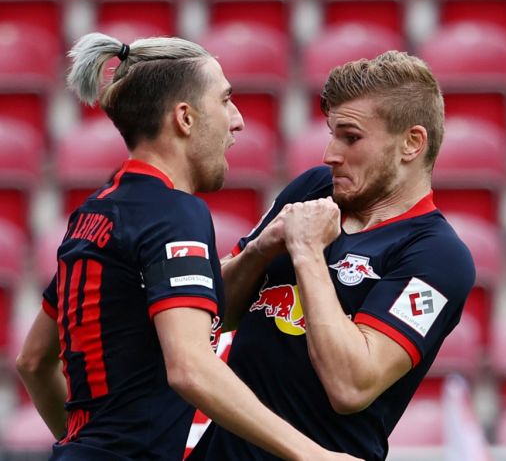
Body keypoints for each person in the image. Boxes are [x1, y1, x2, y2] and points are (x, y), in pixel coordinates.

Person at [15, 32, 360, 461]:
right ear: (185, 117)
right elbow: (190, 367)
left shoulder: (93, 214)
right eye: (225, 100)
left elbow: (32, 361)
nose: (238, 120)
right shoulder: (173, 213)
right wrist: (314, 455)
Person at [191, 51, 476, 460]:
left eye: (351, 137)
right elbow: (213, 315)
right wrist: (260, 250)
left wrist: (306, 252)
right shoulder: (312, 189)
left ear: (411, 143)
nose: (330, 154)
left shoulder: (438, 256)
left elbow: (351, 386)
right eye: (331, 134)